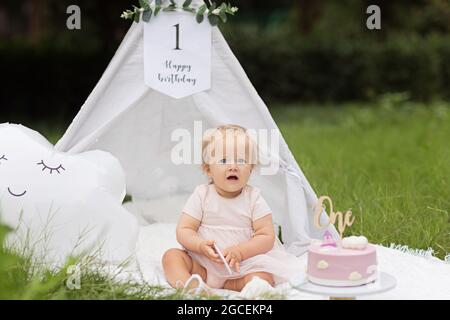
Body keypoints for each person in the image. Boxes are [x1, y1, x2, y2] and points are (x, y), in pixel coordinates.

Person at [162, 124, 302, 293]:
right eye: (223, 160)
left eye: (241, 161)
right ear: (208, 169)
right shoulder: (202, 195)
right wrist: (200, 246)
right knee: (171, 257)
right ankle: (191, 285)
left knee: (264, 277)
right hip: (204, 265)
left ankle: (242, 287)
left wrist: (240, 252)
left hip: (241, 267)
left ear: (251, 169)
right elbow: (184, 230)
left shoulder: (253, 198)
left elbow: (266, 236)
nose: (233, 166)